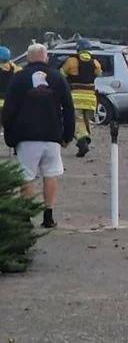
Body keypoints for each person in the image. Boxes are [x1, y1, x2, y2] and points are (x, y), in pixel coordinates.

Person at [2, 43, 75, 229]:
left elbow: (9, 109)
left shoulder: (19, 78)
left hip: (26, 137)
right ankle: (48, 216)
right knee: (51, 175)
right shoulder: (58, 78)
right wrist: (68, 135)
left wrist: (9, 136)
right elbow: (68, 108)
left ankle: (26, 218)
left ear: (28, 58)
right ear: (46, 58)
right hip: (52, 136)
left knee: (27, 176)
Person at [60, 39, 102, 158]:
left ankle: (82, 141)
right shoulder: (95, 62)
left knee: (78, 121)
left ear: (78, 49)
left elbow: (62, 74)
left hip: (76, 97)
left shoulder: (71, 61)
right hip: (91, 98)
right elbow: (99, 74)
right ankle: (85, 138)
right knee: (86, 120)